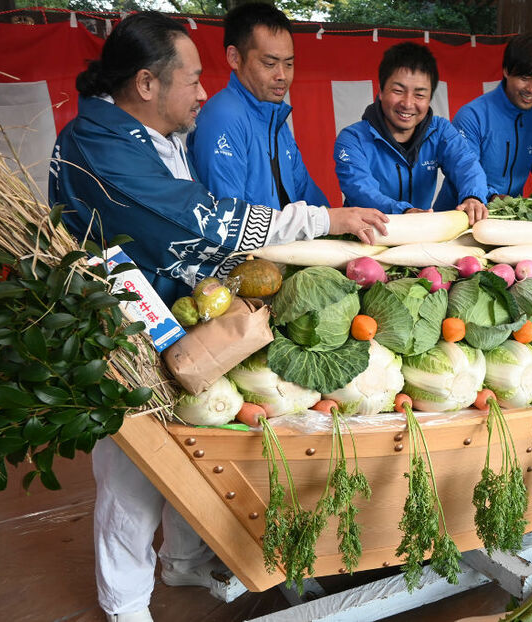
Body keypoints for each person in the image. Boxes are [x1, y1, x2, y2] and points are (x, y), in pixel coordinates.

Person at [48, 12, 387, 622]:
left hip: (172, 309)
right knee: (134, 463)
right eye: (193, 79)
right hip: (117, 320)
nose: (203, 92)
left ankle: (181, 561)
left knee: (189, 441)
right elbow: (201, 217)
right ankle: (124, 604)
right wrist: (321, 220)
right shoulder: (98, 142)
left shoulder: (151, 130)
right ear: (147, 84)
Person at [187, 3, 327, 209]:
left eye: (289, 64)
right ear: (234, 57)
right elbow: (231, 219)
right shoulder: (222, 117)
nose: (282, 76)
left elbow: (308, 196)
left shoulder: (273, 115)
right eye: (269, 64)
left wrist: (337, 223)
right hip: (257, 241)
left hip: (285, 240)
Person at [333, 42, 489, 224]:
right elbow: (360, 190)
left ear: (430, 98)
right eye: (398, 91)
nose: (407, 103)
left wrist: (473, 197)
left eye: (420, 95)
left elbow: (466, 164)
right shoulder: (353, 139)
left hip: (419, 235)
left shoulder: (441, 131)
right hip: (366, 235)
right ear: (381, 91)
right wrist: (404, 212)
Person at [434, 33, 532, 211]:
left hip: (507, 217)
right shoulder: (473, 116)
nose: (531, 89)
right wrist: (493, 197)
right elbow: (464, 171)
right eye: (525, 78)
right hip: (458, 214)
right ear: (506, 70)